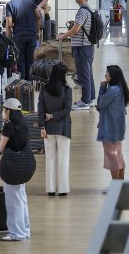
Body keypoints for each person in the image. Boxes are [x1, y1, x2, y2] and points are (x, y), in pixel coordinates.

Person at [0, 98, 31, 241]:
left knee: (12, 201)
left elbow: (1, 148)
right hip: (25, 165)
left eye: (3, 110)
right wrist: (0, 159)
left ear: (8, 111)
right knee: (21, 199)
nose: (2, 112)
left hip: (12, 168)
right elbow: (17, 146)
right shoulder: (23, 124)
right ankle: (25, 230)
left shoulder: (9, 126)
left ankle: (17, 233)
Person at [57, 0, 96, 110]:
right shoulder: (88, 9)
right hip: (87, 46)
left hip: (82, 47)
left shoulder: (82, 11)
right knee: (88, 73)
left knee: (84, 74)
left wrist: (63, 36)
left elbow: (76, 29)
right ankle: (90, 98)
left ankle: (85, 101)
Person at [37, 63, 72, 196]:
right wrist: (54, 116)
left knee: (50, 159)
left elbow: (40, 108)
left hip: (47, 128)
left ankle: (51, 189)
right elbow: (67, 110)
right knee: (63, 159)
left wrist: (42, 125)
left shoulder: (44, 89)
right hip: (63, 128)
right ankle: (63, 189)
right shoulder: (67, 90)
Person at [97, 65, 129, 189]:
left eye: (107, 73)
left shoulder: (112, 90)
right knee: (118, 156)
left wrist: (102, 88)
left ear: (113, 76)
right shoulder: (121, 88)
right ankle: (120, 183)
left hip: (109, 129)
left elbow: (100, 103)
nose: (105, 75)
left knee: (112, 158)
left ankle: (116, 186)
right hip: (118, 128)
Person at [5, 0, 41, 80]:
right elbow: (38, 16)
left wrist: (8, 39)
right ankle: (30, 85)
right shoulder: (29, 0)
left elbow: (9, 24)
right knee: (30, 60)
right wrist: (38, 32)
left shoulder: (10, 4)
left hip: (19, 36)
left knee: (21, 61)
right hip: (32, 35)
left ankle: (23, 85)